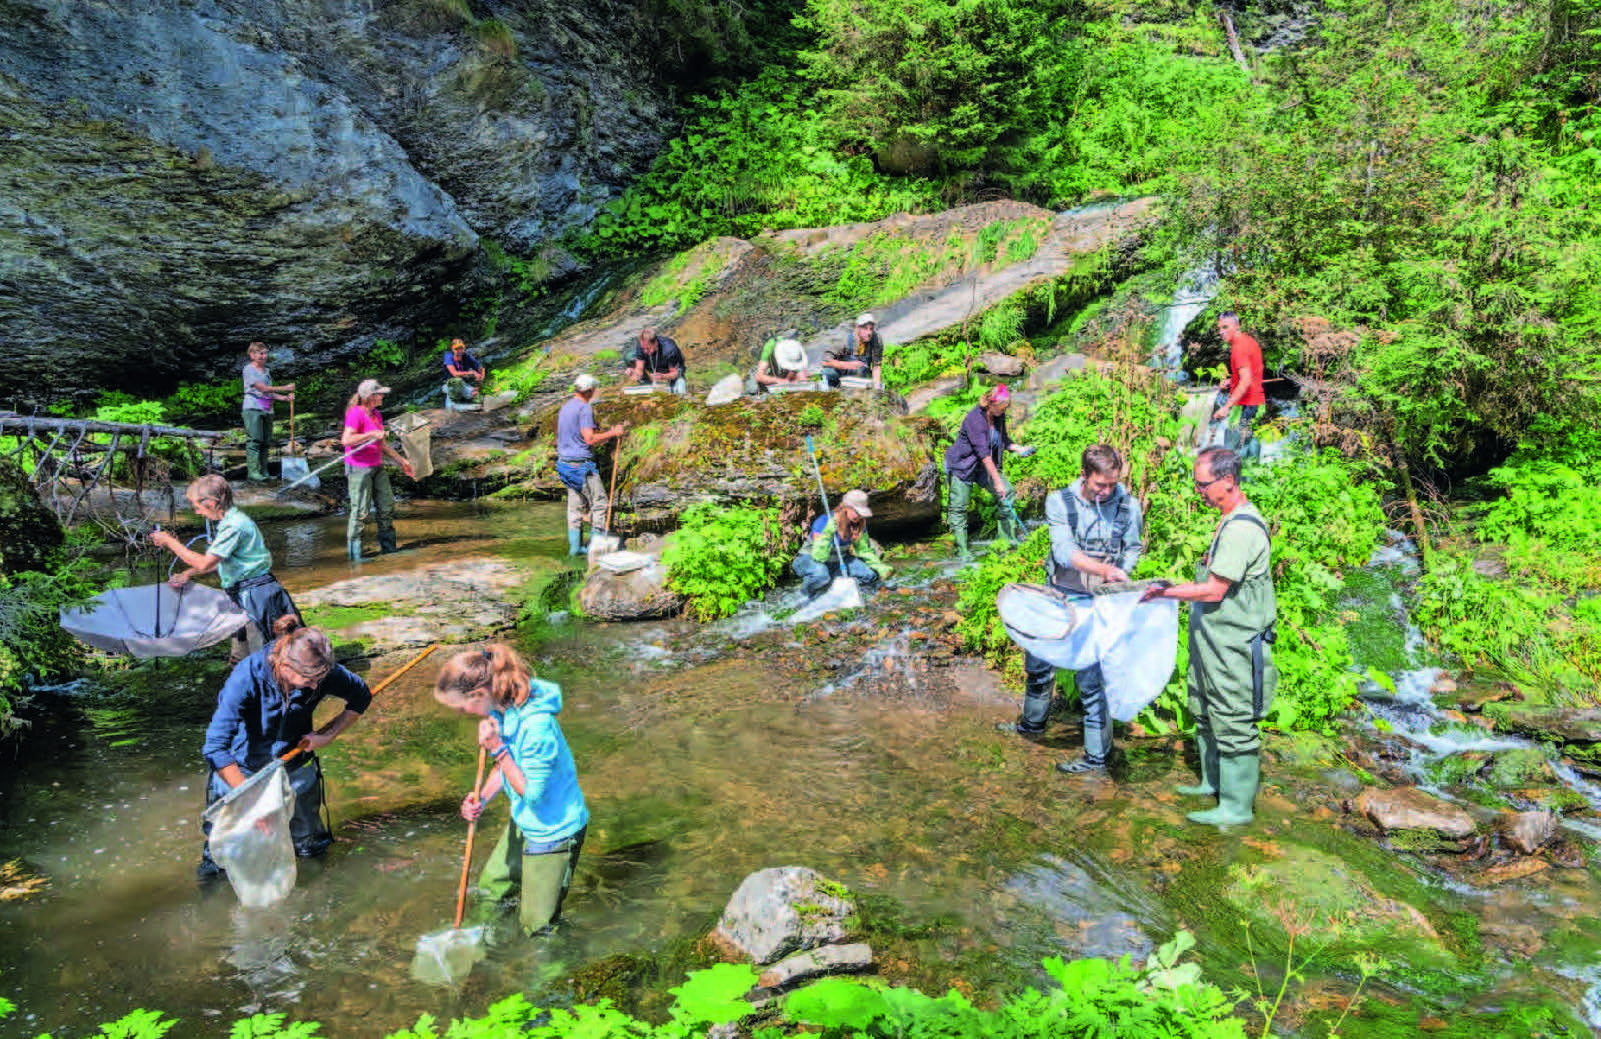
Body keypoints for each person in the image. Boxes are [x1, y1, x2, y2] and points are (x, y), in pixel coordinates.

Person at [1143, 447, 1276, 826]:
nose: (1197, 491)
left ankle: (1235, 808)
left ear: (1228, 481)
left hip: (1235, 645)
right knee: (1203, 709)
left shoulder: (1242, 529)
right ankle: (1211, 782)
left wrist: (1165, 593)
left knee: (1233, 719)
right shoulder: (1226, 520)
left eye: (1203, 484)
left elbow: (1215, 590)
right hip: (1211, 642)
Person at [997, 446, 1144, 777]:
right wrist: (1103, 569)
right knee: (1038, 666)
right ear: (1084, 475)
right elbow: (1064, 552)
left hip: (1098, 603)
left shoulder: (1128, 506)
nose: (1107, 492)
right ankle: (1031, 726)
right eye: (1100, 485)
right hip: (1056, 595)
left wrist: (1121, 572)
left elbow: (1133, 547)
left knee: (1092, 681)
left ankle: (1096, 759)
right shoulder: (1059, 502)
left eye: (1113, 484)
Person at [197, 616, 373, 880]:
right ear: (285, 666)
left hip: (295, 766)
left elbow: (361, 696)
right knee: (222, 856)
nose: (315, 687)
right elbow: (215, 747)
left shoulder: (322, 671)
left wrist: (327, 736)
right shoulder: (247, 676)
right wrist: (250, 801)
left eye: (320, 679)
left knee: (310, 845)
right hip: (241, 773)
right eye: (308, 680)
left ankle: (316, 889)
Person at [434, 644, 588, 936]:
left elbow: (533, 795)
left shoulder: (537, 726)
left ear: (478, 695)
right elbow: (504, 769)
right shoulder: (501, 709)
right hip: (524, 819)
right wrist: (481, 798)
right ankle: (480, 944)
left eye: (461, 707)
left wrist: (498, 749)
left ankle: (552, 962)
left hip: (553, 830)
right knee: (491, 890)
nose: (461, 713)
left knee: (537, 926)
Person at [150, 474, 301, 664]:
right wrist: (188, 573)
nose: (197, 512)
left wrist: (169, 542)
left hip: (256, 597)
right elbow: (222, 560)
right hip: (241, 594)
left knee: (268, 656)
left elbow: (205, 563)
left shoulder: (234, 526)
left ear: (211, 503)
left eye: (197, 506)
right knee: (240, 656)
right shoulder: (229, 523)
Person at [944, 385, 1029, 560]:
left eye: (1006, 408)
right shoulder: (975, 419)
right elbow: (984, 454)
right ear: (991, 403)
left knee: (1007, 493)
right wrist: (997, 482)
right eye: (1002, 408)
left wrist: (1018, 448)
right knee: (959, 508)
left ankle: (1006, 540)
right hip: (962, 466)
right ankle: (962, 551)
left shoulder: (998, 416)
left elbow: (1002, 439)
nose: (1004, 411)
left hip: (982, 467)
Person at [342, 378, 415, 562]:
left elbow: (382, 444)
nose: (383, 396)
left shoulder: (376, 414)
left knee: (386, 506)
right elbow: (346, 440)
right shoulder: (356, 413)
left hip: (377, 466)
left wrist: (402, 462)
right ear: (370, 397)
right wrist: (371, 434)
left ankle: (389, 550)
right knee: (360, 511)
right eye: (380, 393)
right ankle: (355, 557)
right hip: (359, 468)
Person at [556, 374, 625, 556]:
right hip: (581, 466)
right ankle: (595, 548)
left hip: (565, 465)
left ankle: (575, 549)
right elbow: (590, 439)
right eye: (594, 390)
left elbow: (574, 433)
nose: (595, 393)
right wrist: (613, 433)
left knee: (575, 508)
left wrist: (593, 427)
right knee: (600, 503)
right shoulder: (584, 408)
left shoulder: (566, 407)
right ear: (588, 390)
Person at [792, 489, 892, 599]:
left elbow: (864, 551)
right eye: (857, 512)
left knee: (869, 575)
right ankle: (804, 595)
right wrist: (828, 533)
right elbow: (819, 555)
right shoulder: (824, 521)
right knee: (821, 575)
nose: (859, 516)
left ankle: (855, 595)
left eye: (861, 513)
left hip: (836, 562)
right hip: (809, 560)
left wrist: (879, 566)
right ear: (846, 507)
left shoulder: (858, 526)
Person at [241, 342, 295, 483]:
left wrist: (285, 398)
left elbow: (270, 392)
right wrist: (285, 388)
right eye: (260, 353)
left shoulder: (266, 371)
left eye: (265, 353)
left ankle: (264, 472)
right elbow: (262, 388)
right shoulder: (249, 369)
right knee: (254, 440)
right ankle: (253, 472)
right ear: (252, 355)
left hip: (267, 410)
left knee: (266, 442)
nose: (263, 356)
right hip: (253, 408)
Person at [1213, 312, 1266, 449]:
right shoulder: (1247, 341)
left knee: (1231, 449)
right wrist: (1232, 380)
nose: (1221, 332)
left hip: (1246, 405)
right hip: (1256, 404)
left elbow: (1245, 381)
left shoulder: (1239, 348)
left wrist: (1226, 407)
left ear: (1236, 326)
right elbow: (1250, 373)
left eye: (1225, 327)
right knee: (1248, 448)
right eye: (1219, 328)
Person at [822, 314, 883, 389]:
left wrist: (877, 386)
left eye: (871, 329)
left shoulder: (876, 340)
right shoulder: (843, 339)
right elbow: (825, 362)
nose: (869, 333)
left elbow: (876, 366)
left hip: (858, 376)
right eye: (865, 329)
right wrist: (847, 365)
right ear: (857, 328)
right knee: (829, 372)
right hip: (839, 374)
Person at [625, 327, 688, 395]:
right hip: (654, 366)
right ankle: (647, 384)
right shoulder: (642, 345)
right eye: (643, 348)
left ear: (655, 343)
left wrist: (662, 376)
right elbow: (639, 368)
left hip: (669, 369)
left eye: (648, 348)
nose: (645, 351)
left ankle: (673, 386)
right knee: (628, 356)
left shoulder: (669, 349)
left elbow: (674, 374)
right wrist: (634, 373)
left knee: (679, 387)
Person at [442, 338, 487, 409]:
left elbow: (481, 368)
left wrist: (479, 383)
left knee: (479, 399)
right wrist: (472, 373)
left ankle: (467, 401)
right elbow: (454, 373)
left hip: (465, 384)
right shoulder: (448, 356)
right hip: (451, 385)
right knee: (457, 381)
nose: (459, 351)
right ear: (452, 349)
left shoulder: (466, 356)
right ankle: (453, 402)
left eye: (461, 348)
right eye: (456, 349)